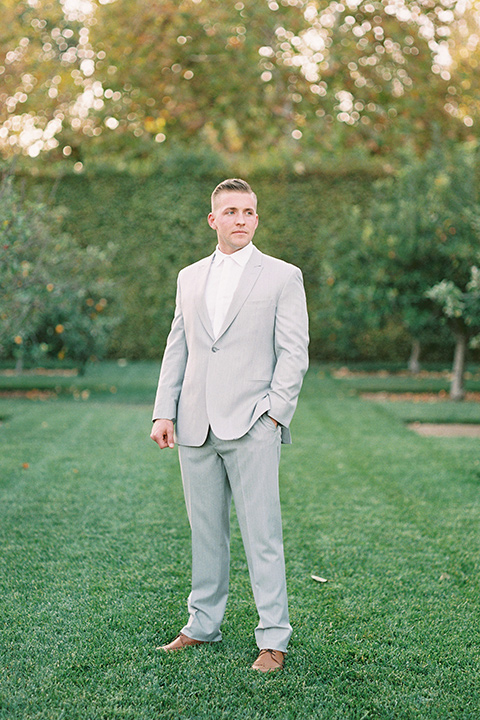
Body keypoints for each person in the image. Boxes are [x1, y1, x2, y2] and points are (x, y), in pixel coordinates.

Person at [150, 178, 309, 672]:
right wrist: (164, 409)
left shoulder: (283, 276)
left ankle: (273, 638)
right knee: (205, 532)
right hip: (195, 425)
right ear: (213, 220)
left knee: (262, 533)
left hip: (252, 424)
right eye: (232, 212)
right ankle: (202, 626)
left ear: (257, 219)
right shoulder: (189, 276)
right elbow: (179, 344)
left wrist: (274, 413)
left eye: (250, 212)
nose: (242, 219)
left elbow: (294, 351)